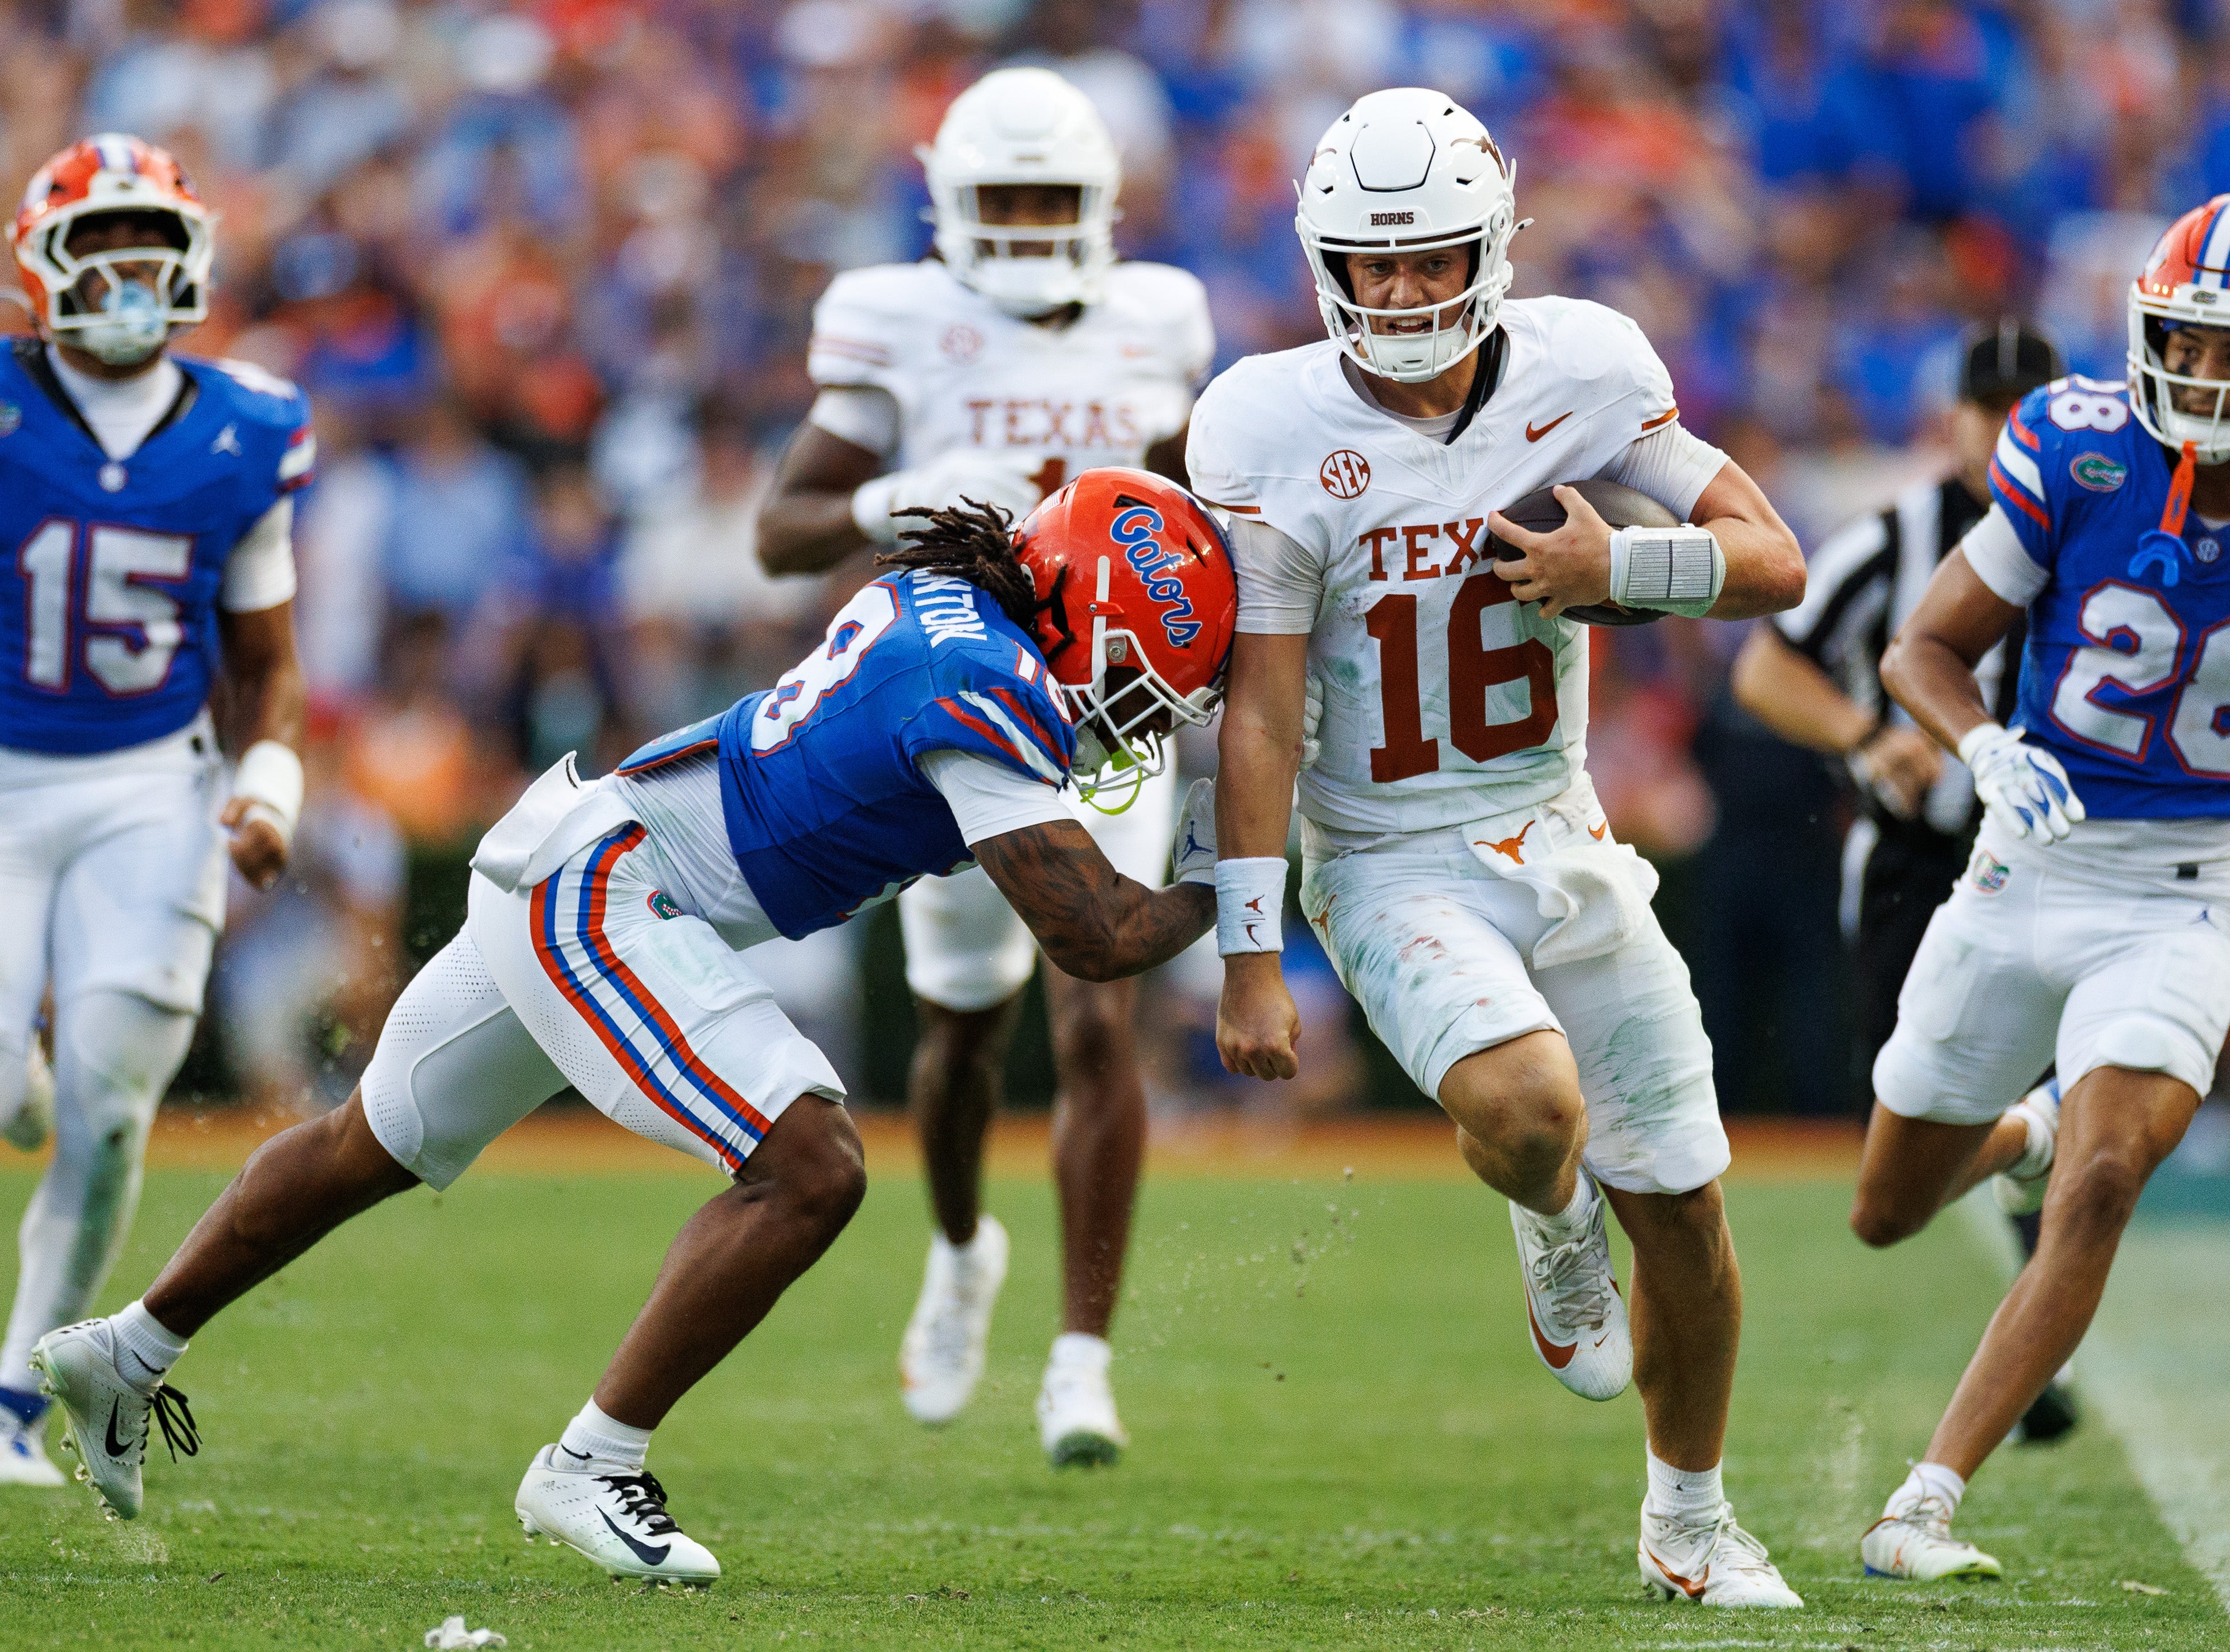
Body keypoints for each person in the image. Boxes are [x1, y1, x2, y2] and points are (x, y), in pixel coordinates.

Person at [30, 471, 1236, 1586]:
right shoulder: (990, 686)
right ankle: (592, 1461)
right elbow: (1097, 933)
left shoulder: (944, 598)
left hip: (584, 846)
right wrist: (1228, 874)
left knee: (368, 1143)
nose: (1136, 727)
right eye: (1140, 685)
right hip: (615, 889)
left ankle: (123, 1350)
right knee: (810, 1163)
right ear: (1085, 611)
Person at [1196, 89, 1810, 1608]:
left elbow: (1772, 559)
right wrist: (1250, 957)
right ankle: (1548, 1229)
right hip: (1388, 850)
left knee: (1682, 1202)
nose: (1399, 292)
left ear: (1493, 248)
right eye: (1370, 263)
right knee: (1531, 1111)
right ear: (1322, 262)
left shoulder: (1586, 370)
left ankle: (1689, 1523)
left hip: (1559, 824)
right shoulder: (1263, 420)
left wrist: (1625, 566)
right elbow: (1262, 716)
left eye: (1428, 260)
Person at [1846, 194, 2230, 1578]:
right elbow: (1922, 650)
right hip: (2025, 858)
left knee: (2108, 1175)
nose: (2203, 376)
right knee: (1883, 1209)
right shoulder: (2078, 444)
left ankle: (1924, 1497)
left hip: (2182, 883)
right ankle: (2019, 1133)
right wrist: (1983, 746)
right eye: (2186, 341)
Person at [753, 66, 1213, 1465]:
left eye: (1046, 199)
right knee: (960, 1027)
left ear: (1099, 208)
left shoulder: (1159, 320)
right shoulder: (900, 319)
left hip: (1115, 706)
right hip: (963, 703)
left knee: (1095, 1008)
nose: (1021, 223)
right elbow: (782, 529)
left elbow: (1191, 506)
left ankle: (1082, 1356)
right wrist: (903, 494)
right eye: (999, 197)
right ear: (948, 201)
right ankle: (961, 1250)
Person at [0, 136, 313, 1488]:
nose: (129, 273)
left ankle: (13, 1393)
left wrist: (269, 776)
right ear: (43, 261)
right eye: (100, 245)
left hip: (151, 780)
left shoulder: (249, 426)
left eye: (151, 245)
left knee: (117, 1107)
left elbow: (266, 656)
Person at [1732, 322, 2084, 1440]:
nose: (2009, 426)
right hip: (1915, 859)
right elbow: (1764, 663)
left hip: (2048, 854)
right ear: (1957, 422)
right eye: (1993, 409)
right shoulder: (1897, 535)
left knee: (2041, 1077)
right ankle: (2026, 1148)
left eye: (2032, 405)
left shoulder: (2099, 527)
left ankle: (2034, 1361)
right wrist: (1861, 735)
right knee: (1908, 1112)